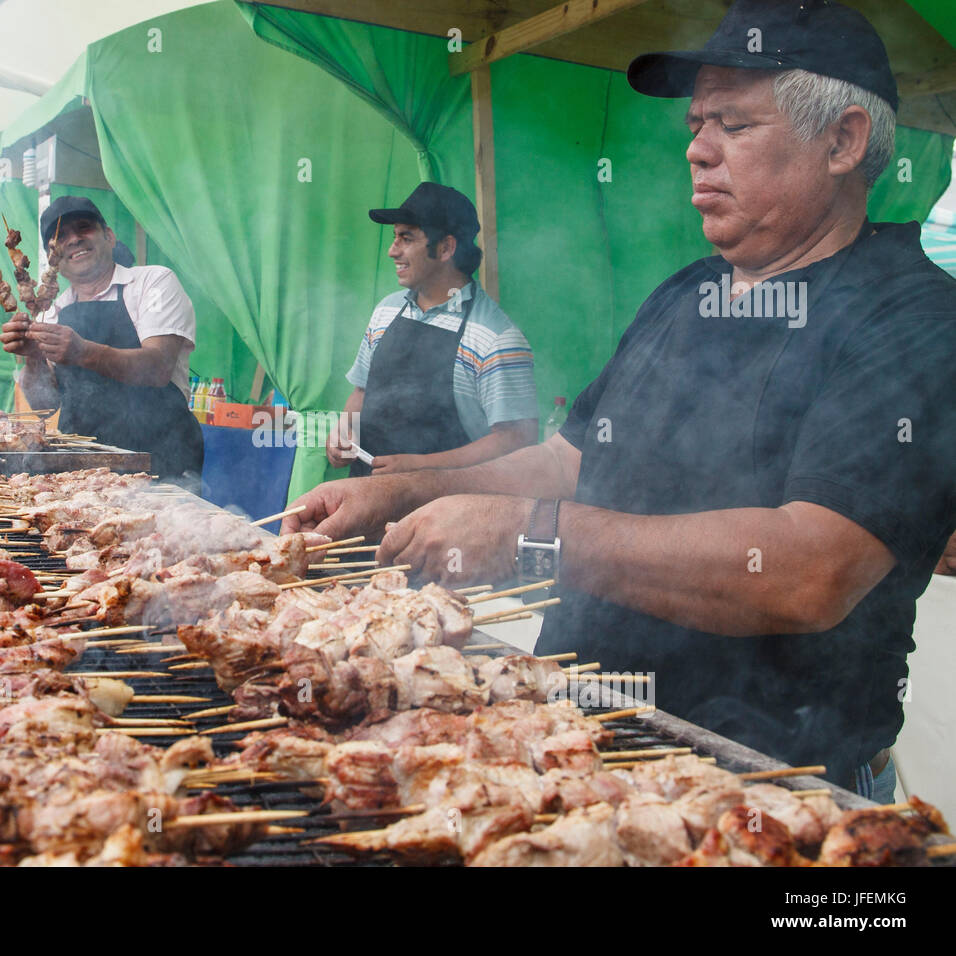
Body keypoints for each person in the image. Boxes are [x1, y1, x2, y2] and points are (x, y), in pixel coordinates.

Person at [282, 0, 956, 800]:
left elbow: (810, 570)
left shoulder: (916, 316)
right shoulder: (689, 292)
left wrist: (529, 537)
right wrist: (402, 490)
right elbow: (570, 458)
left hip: (765, 789)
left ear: (843, 140)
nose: (697, 150)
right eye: (696, 124)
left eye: (733, 126)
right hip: (584, 744)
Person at [328, 182, 537, 476]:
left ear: (446, 248)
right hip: (365, 497)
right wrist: (344, 428)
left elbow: (517, 440)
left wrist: (421, 467)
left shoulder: (495, 338)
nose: (392, 251)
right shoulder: (386, 311)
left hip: (445, 511)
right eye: (394, 237)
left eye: (406, 238)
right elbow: (361, 391)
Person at [0, 196, 203, 481]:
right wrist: (32, 358)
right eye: (61, 238)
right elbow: (45, 406)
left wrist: (83, 351)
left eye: (84, 228)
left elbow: (158, 368)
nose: (73, 240)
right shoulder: (53, 312)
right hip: (83, 471)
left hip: (161, 461)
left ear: (109, 236)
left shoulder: (151, 283)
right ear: (51, 257)